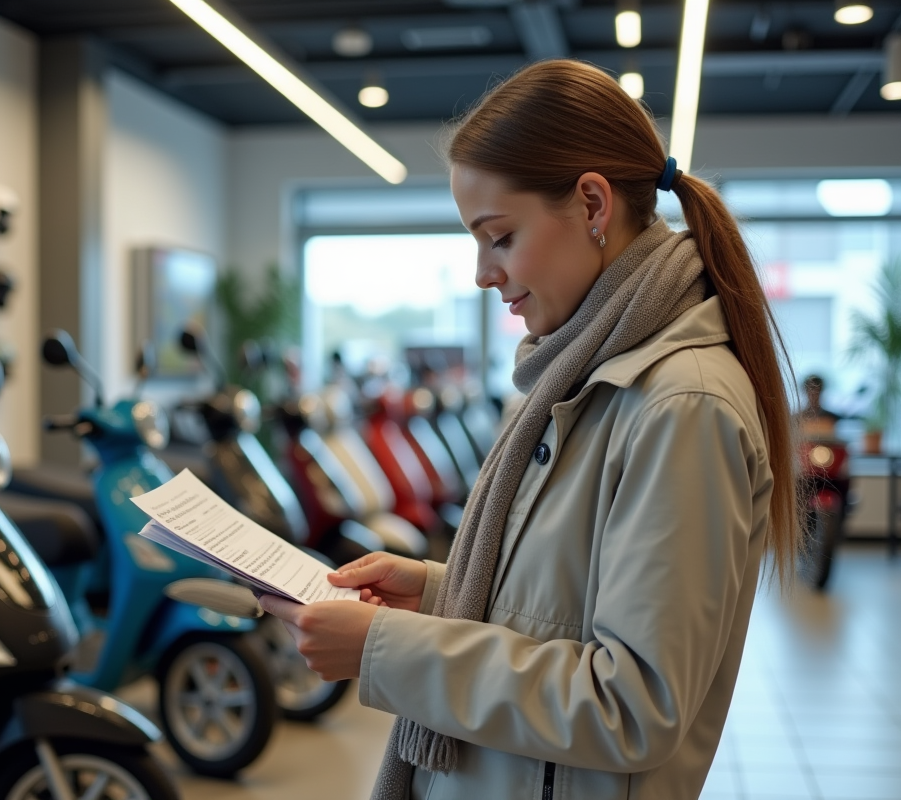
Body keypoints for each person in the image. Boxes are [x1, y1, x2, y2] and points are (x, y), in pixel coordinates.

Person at [260, 59, 798, 800]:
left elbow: (631, 704)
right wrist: (435, 591)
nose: (483, 272)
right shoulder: (589, 374)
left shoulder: (680, 405)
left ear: (592, 205)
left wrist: (389, 650)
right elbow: (570, 606)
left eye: (500, 236)